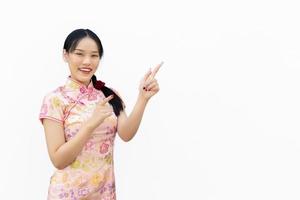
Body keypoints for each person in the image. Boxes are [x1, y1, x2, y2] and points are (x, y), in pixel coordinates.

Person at [39, 28, 161, 200]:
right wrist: (90, 124)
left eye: (94, 55)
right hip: (67, 194)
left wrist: (143, 98)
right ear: (65, 55)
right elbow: (58, 160)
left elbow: (126, 134)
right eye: (79, 54)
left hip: (104, 193)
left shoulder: (108, 95)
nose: (87, 61)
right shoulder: (55, 100)